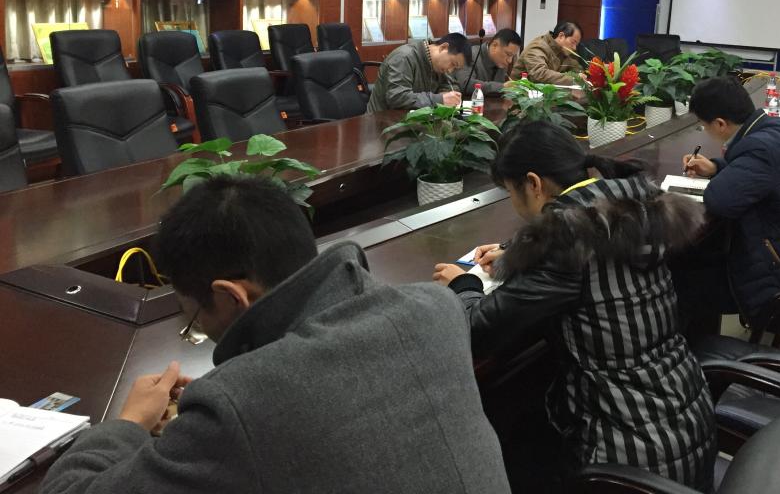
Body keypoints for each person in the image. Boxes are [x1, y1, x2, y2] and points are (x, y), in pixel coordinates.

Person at [42, 177, 511, 494]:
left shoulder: (237, 402)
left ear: (230, 295)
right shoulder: (436, 309)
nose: (199, 328)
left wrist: (129, 424)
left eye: (194, 317)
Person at [432, 121, 716, 491]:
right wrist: (516, 252)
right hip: (687, 417)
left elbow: (478, 330)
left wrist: (463, 284)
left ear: (533, 184)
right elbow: (595, 257)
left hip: (629, 452)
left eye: (511, 193)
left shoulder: (563, 243)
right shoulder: (634, 208)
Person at [679, 77, 780, 331]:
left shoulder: (759, 148)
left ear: (720, 123)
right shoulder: (776, 128)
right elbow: (763, 174)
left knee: (682, 280)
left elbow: (719, 200)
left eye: (704, 126)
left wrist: (721, 174)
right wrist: (716, 167)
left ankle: (702, 350)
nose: (706, 131)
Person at [366, 32, 471, 112]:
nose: (450, 70)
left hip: (415, 122)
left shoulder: (439, 65)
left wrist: (447, 94)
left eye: (455, 68)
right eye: (453, 63)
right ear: (443, 47)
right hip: (383, 122)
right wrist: (439, 99)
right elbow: (397, 98)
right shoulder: (403, 58)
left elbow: (452, 85)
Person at [453, 28, 523, 96]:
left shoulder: (500, 62)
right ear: (495, 45)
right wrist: (502, 87)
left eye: (512, 56)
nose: (510, 60)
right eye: (508, 54)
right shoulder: (471, 55)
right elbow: (465, 84)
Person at [512, 21, 582, 85]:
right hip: (521, 91)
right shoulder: (538, 47)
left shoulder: (564, 51)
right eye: (573, 42)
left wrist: (581, 76)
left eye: (576, 44)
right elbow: (539, 74)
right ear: (561, 36)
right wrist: (573, 79)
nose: (574, 48)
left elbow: (576, 68)